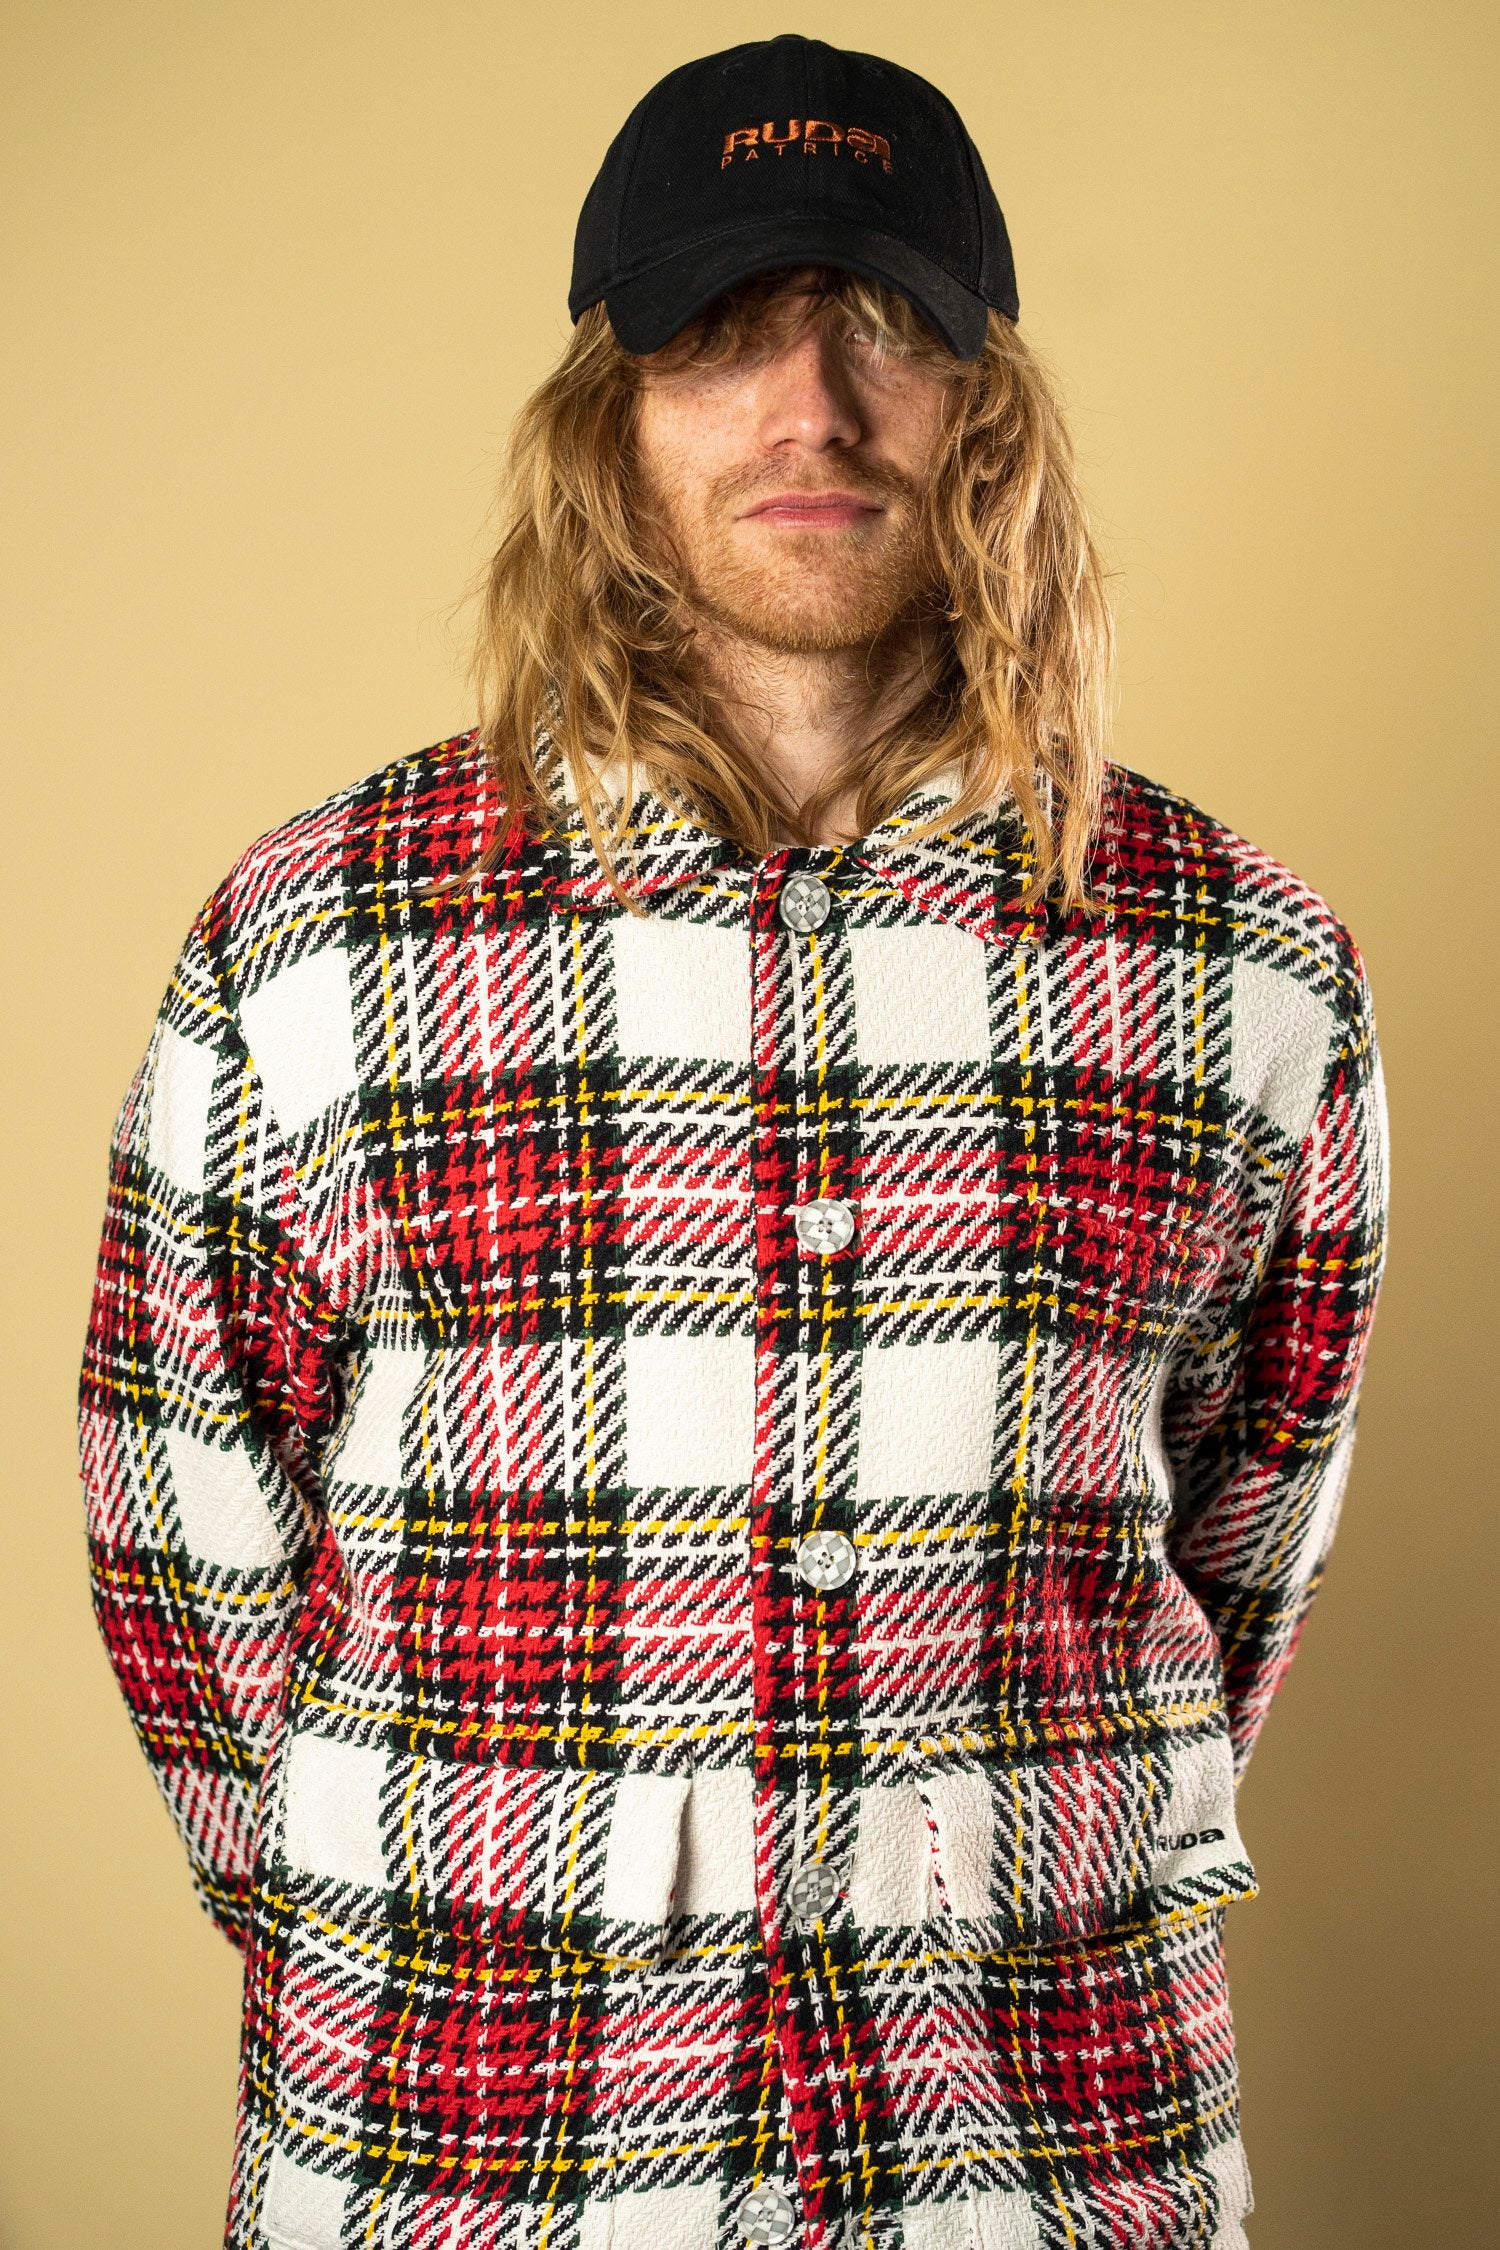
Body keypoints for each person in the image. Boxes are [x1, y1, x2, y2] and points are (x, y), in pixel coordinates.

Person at [77, 33, 1388, 2250]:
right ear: (612, 416)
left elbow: (1243, 1534)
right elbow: (184, 1535)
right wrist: (409, 1920)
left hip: (1045, 2160)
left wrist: (1022, 1833)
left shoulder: (1246, 963)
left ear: (992, 400)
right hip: (463, 2154)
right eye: (721, 332)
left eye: (886, 322)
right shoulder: (312, 942)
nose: (813, 406)